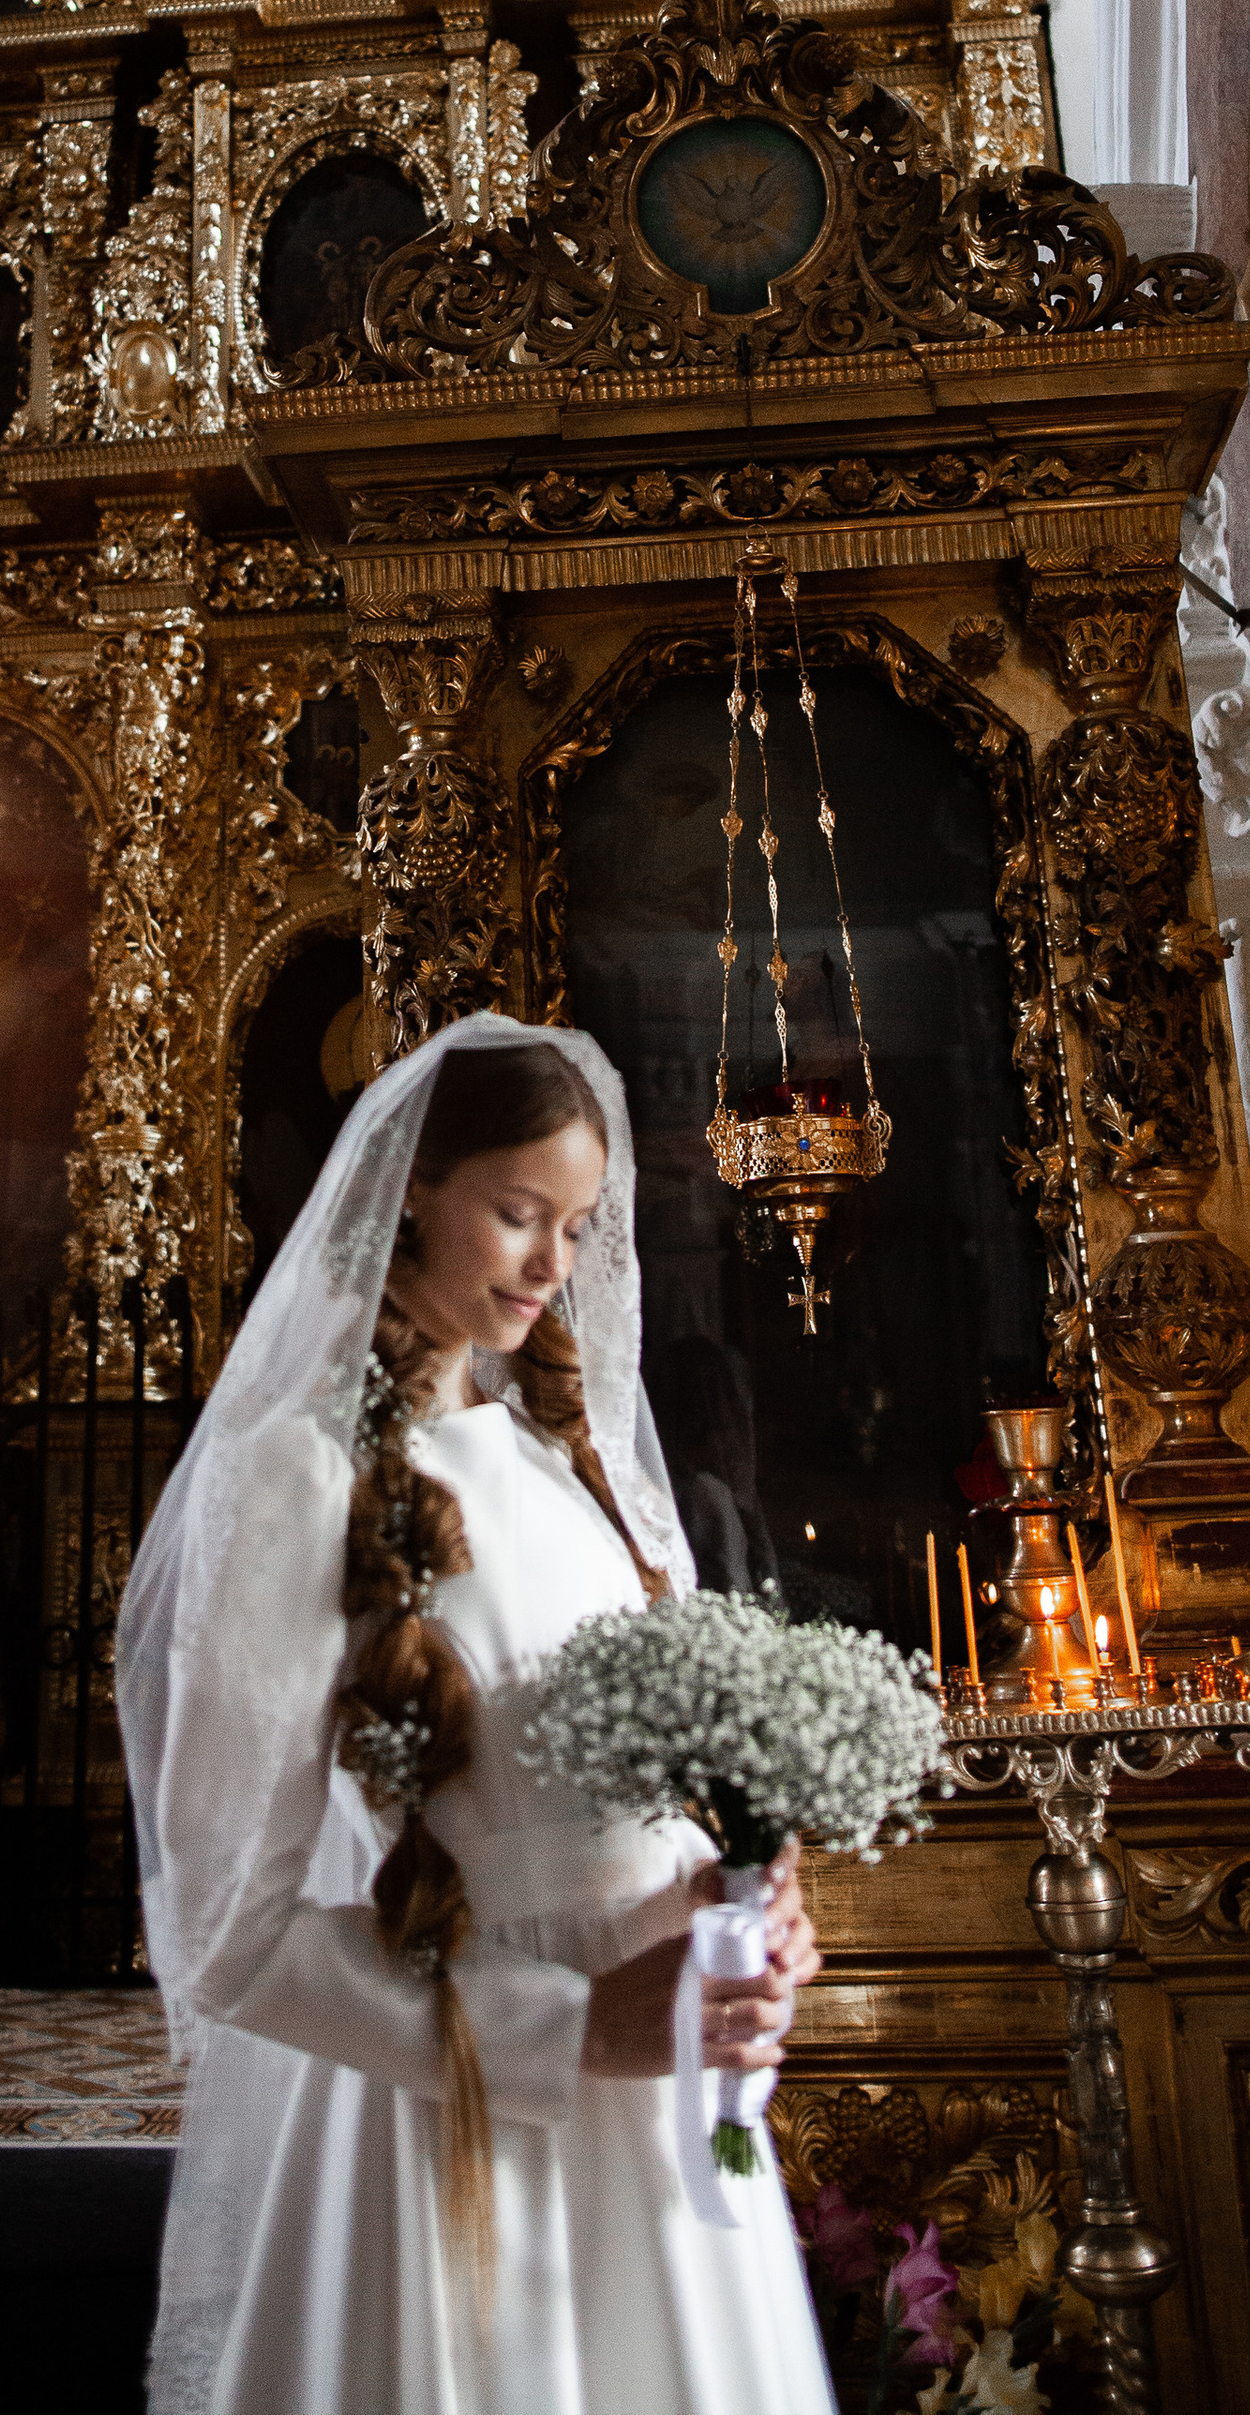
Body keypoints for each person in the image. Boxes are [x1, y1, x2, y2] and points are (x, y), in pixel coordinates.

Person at [118, 1009, 834, 2415]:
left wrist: (729, 1892)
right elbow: (221, 1935)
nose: (554, 1264)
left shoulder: (562, 1464)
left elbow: (610, 1792)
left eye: (577, 1225)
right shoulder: (297, 1482)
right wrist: (567, 2027)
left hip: (658, 2110)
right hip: (452, 2126)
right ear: (412, 1198)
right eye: (519, 1213)